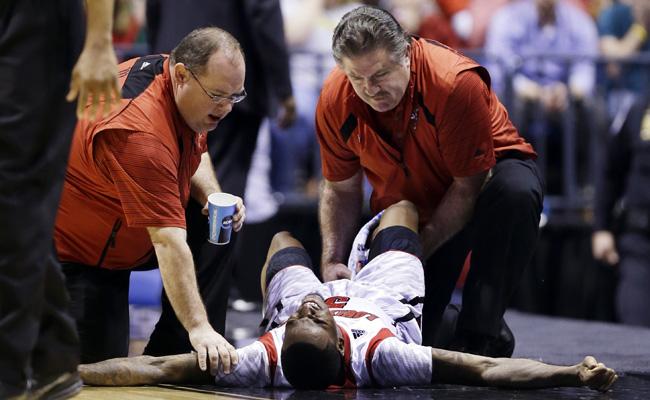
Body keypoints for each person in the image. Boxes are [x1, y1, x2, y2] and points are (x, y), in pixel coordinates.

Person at [78, 201, 617, 392]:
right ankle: (373, 258)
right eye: (315, 318)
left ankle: (338, 260)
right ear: (341, 346)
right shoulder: (384, 356)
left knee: (284, 241)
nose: (310, 310)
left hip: (318, 314)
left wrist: (72, 373)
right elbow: (481, 370)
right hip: (382, 304)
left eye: (296, 319)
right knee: (402, 209)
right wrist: (571, 373)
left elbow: (160, 370)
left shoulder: (263, 358)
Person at [315, 6, 542, 356]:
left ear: (405, 53)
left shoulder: (453, 82)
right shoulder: (335, 98)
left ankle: (482, 330)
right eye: (357, 79)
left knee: (516, 192)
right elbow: (340, 188)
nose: (370, 89)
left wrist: (414, 254)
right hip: (412, 197)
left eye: (380, 75)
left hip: (485, 176)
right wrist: (332, 260)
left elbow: (468, 186)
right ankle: (454, 328)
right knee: (408, 341)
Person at [53, 27, 247, 375]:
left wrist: (212, 194)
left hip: (121, 233)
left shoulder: (170, 78)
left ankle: (180, 347)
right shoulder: (140, 138)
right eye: (218, 95)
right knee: (88, 377)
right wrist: (199, 326)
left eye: (235, 96)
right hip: (79, 255)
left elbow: (195, 144)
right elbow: (168, 241)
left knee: (221, 216)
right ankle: (194, 337)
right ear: (182, 75)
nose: (226, 108)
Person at [0, 0, 120, 398]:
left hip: (38, 17)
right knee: (14, 200)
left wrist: (100, 41)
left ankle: (9, 376)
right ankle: (51, 356)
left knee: (15, 189)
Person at [146, 0, 295, 315]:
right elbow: (263, 13)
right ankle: (205, 308)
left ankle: (179, 301)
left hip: (171, 73)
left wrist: (160, 60)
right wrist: (283, 88)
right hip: (228, 80)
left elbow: (154, 9)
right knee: (220, 198)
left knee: (189, 188)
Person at [592, 95, 650, 327]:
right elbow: (610, 172)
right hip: (641, 244)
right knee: (634, 330)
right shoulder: (639, 110)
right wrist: (601, 227)